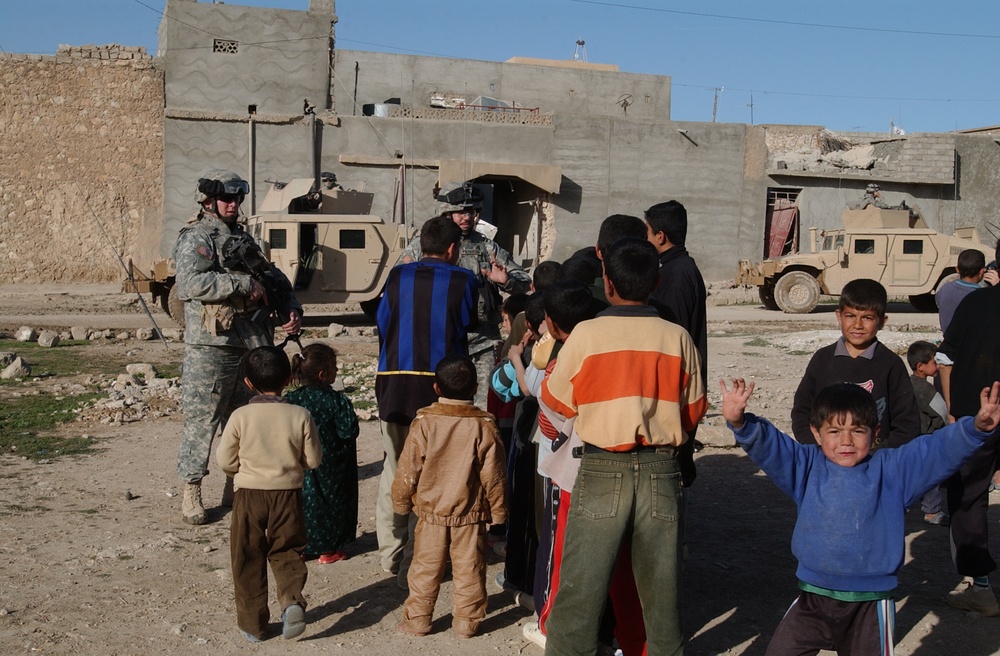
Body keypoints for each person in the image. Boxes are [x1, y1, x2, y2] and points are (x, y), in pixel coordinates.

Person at [721, 378, 1000, 655]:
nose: (846, 441)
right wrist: (740, 423)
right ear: (816, 433)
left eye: (857, 430)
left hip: (870, 602)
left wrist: (974, 429)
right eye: (834, 431)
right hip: (813, 597)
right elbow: (773, 447)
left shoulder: (892, 472)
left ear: (875, 431)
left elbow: (933, 452)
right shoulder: (805, 468)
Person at [540, 238, 707, 655]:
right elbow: (692, 411)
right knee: (661, 593)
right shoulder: (678, 337)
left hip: (600, 469)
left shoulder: (586, 335)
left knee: (580, 589)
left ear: (606, 282)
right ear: (658, 280)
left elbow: (558, 402)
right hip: (661, 471)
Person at [173, 169, 303, 525]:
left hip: (252, 340)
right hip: (212, 344)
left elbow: (272, 277)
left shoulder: (243, 238)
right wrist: (241, 284)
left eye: (237, 199)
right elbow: (189, 283)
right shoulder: (197, 237)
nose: (233, 205)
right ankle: (192, 489)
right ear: (209, 201)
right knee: (203, 419)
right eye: (227, 199)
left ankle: (237, 483)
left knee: (248, 418)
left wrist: (291, 308)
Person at [375, 215, 479, 586]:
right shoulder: (465, 280)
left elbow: (383, 324)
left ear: (422, 245)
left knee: (394, 468)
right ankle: (416, 561)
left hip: (392, 383)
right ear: (454, 248)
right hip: (438, 388)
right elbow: (466, 322)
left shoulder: (396, 277)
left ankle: (389, 554)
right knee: (430, 476)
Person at [391, 354, 508, 639]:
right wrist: (500, 512)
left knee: (424, 568)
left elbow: (409, 467)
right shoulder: (484, 425)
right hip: (470, 514)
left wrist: (401, 502)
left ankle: (418, 620)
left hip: (431, 513)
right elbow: (494, 475)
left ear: (436, 389)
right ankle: (467, 623)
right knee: (470, 569)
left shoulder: (425, 423)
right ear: (475, 387)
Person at [215, 346, 322, 642]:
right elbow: (313, 460)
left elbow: (225, 460)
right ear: (288, 378)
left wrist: (242, 471)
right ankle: (290, 602)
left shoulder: (241, 416)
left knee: (247, 556)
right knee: (288, 551)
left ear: (248, 383)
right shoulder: (300, 415)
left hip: (249, 494)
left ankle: (253, 625)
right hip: (287, 495)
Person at [399, 181, 531, 401]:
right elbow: (399, 280)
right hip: (438, 341)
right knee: (439, 403)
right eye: (460, 212)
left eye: (470, 211)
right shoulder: (422, 245)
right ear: (445, 214)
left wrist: (506, 280)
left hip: (480, 341)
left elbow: (525, 282)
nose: (467, 217)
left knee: (483, 404)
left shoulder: (487, 247)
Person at [937, 237, 1000, 617]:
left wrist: (952, 409)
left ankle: (980, 587)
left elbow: (946, 356)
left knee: (968, 496)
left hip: (978, 417)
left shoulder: (976, 302)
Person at [791, 278, 919, 449]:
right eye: (850, 316)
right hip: (826, 461)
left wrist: (880, 458)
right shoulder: (822, 360)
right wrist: (818, 450)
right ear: (839, 316)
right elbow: (802, 412)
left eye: (867, 317)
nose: (858, 325)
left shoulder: (891, 364)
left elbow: (907, 424)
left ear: (882, 321)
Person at [645, 200, 707, 485]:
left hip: (676, 384)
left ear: (660, 236)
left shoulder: (676, 274)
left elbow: (674, 336)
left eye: (647, 232)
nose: (646, 238)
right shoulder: (676, 268)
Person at [286, 342, 360, 564]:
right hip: (332, 467)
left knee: (301, 504)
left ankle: (300, 547)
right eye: (335, 367)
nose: (337, 371)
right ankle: (328, 550)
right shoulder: (337, 401)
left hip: (299, 463)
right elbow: (349, 432)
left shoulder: (292, 400)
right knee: (331, 504)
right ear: (322, 374)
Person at [906, 340, 949, 526]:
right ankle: (932, 511)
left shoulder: (906, 383)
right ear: (920, 367)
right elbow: (941, 412)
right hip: (926, 438)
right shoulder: (925, 389)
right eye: (934, 362)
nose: (938, 366)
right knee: (932, 474)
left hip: (911, 438)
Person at [936, 248, 986, 332]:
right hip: (971, 342)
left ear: (957, 269)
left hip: (949, 340)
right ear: (982, 271)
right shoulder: (982, 296)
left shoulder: (944, 289)